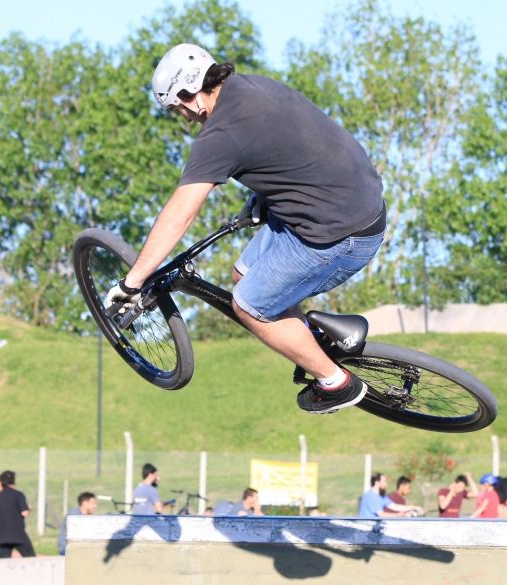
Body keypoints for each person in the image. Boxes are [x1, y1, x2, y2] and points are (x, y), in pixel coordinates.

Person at [106, 44, 385, 415]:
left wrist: (133, 282)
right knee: (243, 273)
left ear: (189, 95)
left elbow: (180, 214)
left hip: (340, 235)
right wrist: (264, 198)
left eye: (178, 109)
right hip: (349, 201)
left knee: (250, 306)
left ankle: (336, 382)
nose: (185, 118)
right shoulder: (253, 87)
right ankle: (314, 340)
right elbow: (291, 146)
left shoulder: (221, 134)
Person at [0, 470, 35, 558]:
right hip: (19, 535)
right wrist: (29, 509)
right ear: (13, 481)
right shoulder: (18, 495)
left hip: (3, 535)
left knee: (3, 561)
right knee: (30, 557)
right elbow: (24, 513)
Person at [58, 491, 98, 556]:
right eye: (93, 503)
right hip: (68, 552)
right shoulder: (74, 516)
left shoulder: (87, 517)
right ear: (84, 503)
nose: (95, 506)